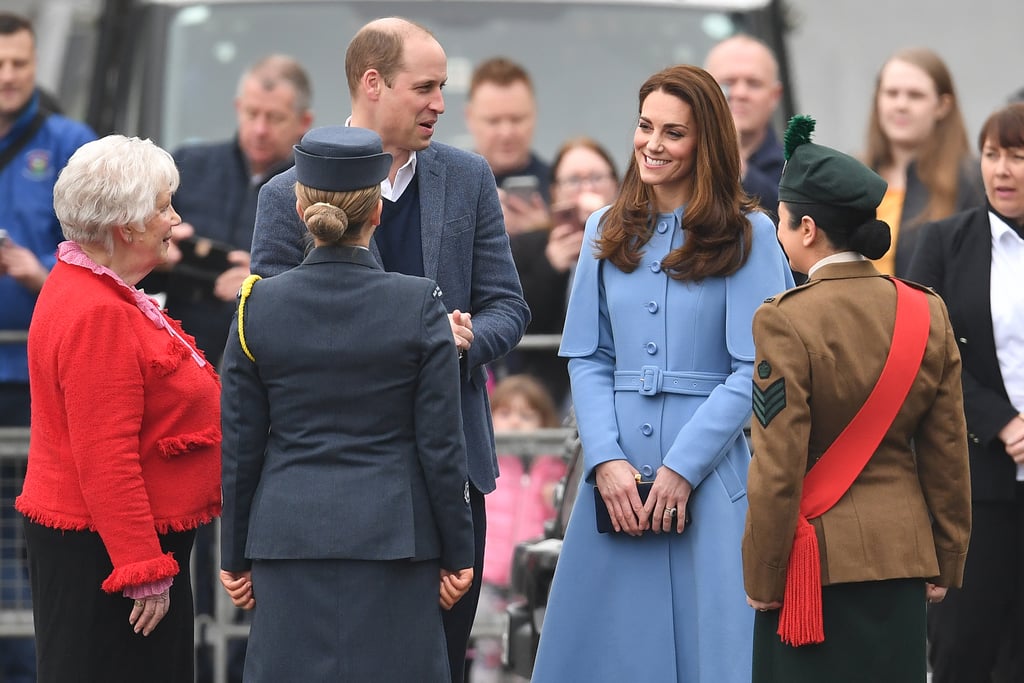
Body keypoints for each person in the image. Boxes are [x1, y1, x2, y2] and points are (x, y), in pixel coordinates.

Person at [248, 18, 530, 683]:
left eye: (443, 88)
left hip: (447, 478)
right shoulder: (282, 194)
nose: (440, 104)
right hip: (334, 486)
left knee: (436, 663)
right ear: (373, 84)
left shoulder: (467, 178)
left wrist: (461, 342)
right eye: (426, 87)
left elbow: (508, 309)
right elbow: (264, 333)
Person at [530, 64, 794, 683]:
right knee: (607, 656)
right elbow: (587, 358)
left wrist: (682, 467)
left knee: (719, 655)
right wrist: (606, 460)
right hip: (614, 483)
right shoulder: (604, 228)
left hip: (713, 479)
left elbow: (755, 366)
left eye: (673, 133)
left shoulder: (750, 233)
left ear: (707, 142)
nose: (652, 144)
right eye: (645, 126)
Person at [219, 125, 474, 681]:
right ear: (376, 213)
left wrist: (233, 554)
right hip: (396, 542)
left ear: (299, 204)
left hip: (287, 540)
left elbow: (239, 446)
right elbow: (441, 444)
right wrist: (459, 551)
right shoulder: (419, 304)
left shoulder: (256, 305)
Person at [742, 115, 971, 683]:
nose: (778, 231)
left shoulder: (784, 319)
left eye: (784, 220)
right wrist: (948, 555)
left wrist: (764, 576)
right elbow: (946, 453)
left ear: (809, 228)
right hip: (903, 557)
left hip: (810, 570)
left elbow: (777, 466)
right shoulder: (927, 311)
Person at [13, 134, 221, 682]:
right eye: (162, 207)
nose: (175, 220)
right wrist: (141, 566)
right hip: (110, 554)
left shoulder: (92, 288)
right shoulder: (97, 311)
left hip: (110, 542)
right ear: (125, 228)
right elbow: (105, 455)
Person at [908, 102, 1024, 683]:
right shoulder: (945, 242)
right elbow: (928, 354)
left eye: (1019, 157)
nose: (1002, 170)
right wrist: (1004, 422)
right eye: (992, 155)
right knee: (963, 651)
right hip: (977, 486)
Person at [0, 13, 96, 682]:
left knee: (35, 535)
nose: (8, 77)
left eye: (20, 65)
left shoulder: (69, 143)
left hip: (35, 378)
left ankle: (34, 668)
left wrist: (41, 272)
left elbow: (104, 256)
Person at [150, 54, 313, 366]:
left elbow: (332, 283)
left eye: (275, 117)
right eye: (252, 113)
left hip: (272, 362)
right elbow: (133, 271)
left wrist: (262, 284)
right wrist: (155, 250)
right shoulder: (188, 166)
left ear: (304, 122)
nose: (260, 129)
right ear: (238, 108)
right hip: (184, 356)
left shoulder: (316, 189)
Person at [507, 136, 620, 409]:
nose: (585, 189)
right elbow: (516, 322)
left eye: (595, 178)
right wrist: (550, 268)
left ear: (616, 186)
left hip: (617, 385)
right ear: (555, 191)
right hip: (549, 394)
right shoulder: (529, 245)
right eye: (573, 181)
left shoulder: (635, 245)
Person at [863, 47, 984, 276]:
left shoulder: (971, 181)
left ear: (942, 106)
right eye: (891, 93)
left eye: (915, 95)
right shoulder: (852, 176)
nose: (901, 104)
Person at [466, 57, 551, 235]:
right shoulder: (446, 190)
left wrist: (544, 233)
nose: (506, 133)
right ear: (469, 118)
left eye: (516, 119)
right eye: (493, 121)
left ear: (534, 114)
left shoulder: (561, 188)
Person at [704, 34, 785, 215]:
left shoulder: (797, 169)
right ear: (704, 91)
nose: (739, 93)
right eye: (727, 83)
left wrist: (738, 167)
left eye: (753, 84)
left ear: (775, 96)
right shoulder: (679, 159)